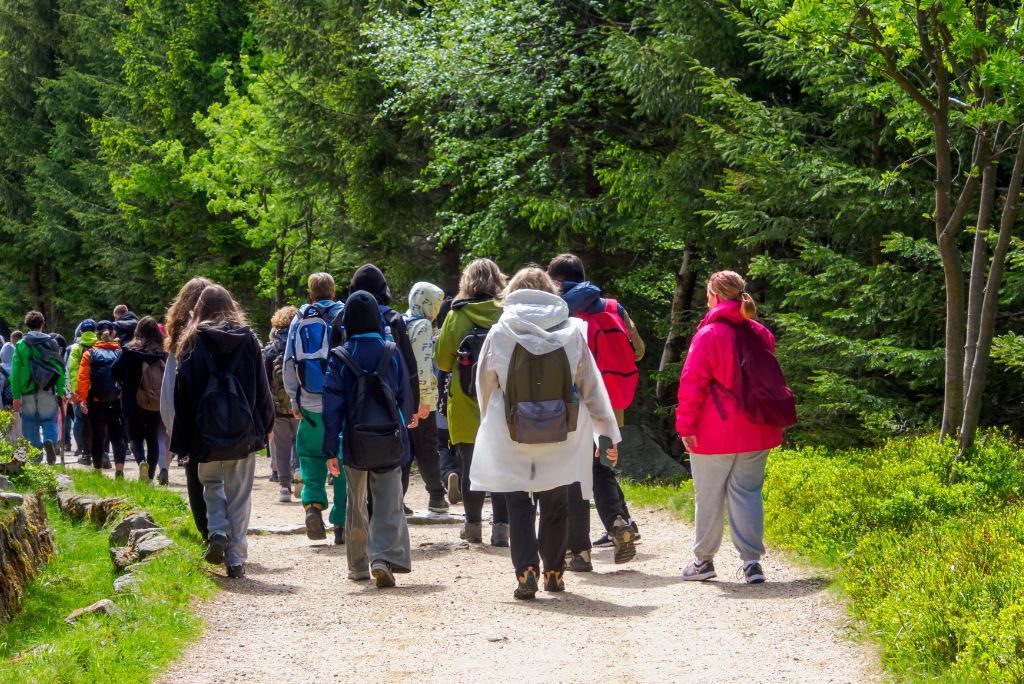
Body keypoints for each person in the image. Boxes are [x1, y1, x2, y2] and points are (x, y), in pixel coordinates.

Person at [470, 267, 621, 599]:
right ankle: (554, 571)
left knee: (518, 502)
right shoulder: (573, 330)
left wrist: (488, 426)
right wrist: (605, 435)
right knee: (555, 503)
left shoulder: (500, 331)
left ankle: (526, 569)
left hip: (511, 430)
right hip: (562, 431)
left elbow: (484, 385)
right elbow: (592, 389)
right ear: (551, 292)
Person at [676, 270, 785, 584]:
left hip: (714, 432)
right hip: (758, 428)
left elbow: (692, 383)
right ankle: (751, 563)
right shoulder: (761, 333)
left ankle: (703, 562)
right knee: (747, 493)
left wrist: (685, 425)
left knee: (709, 496)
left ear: (714, 295)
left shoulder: (708, 335)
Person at [547, 254, 643, 569]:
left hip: (573, 403)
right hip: (611, 403)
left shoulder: (557, 311)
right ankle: (617, 522)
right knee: (601, 467)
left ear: (558, 281)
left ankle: (579, 552)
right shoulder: (614, 307)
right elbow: (638, 350)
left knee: (573, 474)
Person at [171, 285, 273, 579]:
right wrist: (265, 425)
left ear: (200, 309)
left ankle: (217, 530)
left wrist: (183, 441)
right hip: (242, 431)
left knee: (212, 485)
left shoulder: (191, 341)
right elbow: (262, 389)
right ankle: (236, 559)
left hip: (205, 433)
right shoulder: (249, 339)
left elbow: (183, 397)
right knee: (239, 495)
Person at [322, 290, 413, 588]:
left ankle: (359, 565)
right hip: (387, 438)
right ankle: (382, 557)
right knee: (388, 501)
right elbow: (403, 398)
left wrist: (330, 448)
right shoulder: (391, 350)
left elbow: (332, 404)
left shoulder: (340, 355)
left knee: (356, 503)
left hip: (353, 440)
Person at [435, 258, 510, 546]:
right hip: (502, 401)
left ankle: (473, 525)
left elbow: (442, 360)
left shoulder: (457, 315)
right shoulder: (507, 312)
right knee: (502, 465)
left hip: (465, 401)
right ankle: (501, 529)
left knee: (470, 466)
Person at [283, 273, 347, 544]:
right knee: (343, 462)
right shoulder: (345, 314)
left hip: (309, 400)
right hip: (341, 402)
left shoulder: (300, 319)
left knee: (310, 456)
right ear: (333, 293)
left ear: (310, 295)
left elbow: (288, 362)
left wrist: (294, 400)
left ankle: (312, 506)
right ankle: (342, 524)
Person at [162, 276, 215, 539]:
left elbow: (169, 386)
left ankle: (206, 532)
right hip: (219, 416)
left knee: (194, 474)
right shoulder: (226, 332)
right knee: (222, 478)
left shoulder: (177, 338)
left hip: (190, 419)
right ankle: (223, 530)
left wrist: (174, 428)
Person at [403, 281, 447, 512]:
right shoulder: (423, 326)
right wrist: (425, 402)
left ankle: (395, 499)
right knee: (427, 448)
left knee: (404, 450)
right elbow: (423, 367)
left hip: (401, 397)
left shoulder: (400, 320)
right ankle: (437, 496)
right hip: (420, 400)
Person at [113, 316, 168, 482]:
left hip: (133, 401)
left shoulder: (130, 351)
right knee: (152, 439)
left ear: (138, 331)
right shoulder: (163, 352)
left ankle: (141, 462)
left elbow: (114, 372)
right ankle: (150, 478)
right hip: (157, 402)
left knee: (135, 438)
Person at [10, 311, 66, 462]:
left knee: (30, 424)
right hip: (48, 389)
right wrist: (61, 391)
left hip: (27, 391)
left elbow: (15, 373)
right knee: (50, 421)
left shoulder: (21, 344)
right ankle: (49, 440)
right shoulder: (52, 342)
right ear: (42, 324)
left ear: (28, 325)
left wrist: (16, 396)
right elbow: (59, 369)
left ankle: (36, 458)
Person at [78, 322, 128, 476]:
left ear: (97, 336)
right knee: (117, 436)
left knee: (98, 437)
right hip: (116, 399)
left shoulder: (89, 354)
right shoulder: (120, 352)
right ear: (112, 335)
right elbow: (125, 377)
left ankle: (98, 470)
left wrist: (82, 399)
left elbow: (83, 378)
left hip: (96, 401)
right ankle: (119, 470)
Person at [264, 305, 299, 503]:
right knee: (300, 443)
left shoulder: (270, 351)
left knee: (282, 447)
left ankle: (284, 487)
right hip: (299, 404)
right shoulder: (300, 345)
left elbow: (264, 382)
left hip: (277, 408)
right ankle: (299, 472)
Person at [67, 320, 98, 464]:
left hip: (82, 389)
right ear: (95, 331)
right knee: (98, 420)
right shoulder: (99, 345)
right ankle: (99, 449)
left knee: (80, 419)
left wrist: (73, 391)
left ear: (81, 332)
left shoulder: (76, 348)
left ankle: (81, 448)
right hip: (99, 389)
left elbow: (73, 370)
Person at [1, 331, 22, 441]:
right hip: (17, 401)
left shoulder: (1, 369)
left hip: (5, 404)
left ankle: (10, 453)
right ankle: (21, 453)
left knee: (7, 429)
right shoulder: (18, 367)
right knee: (19, 428)